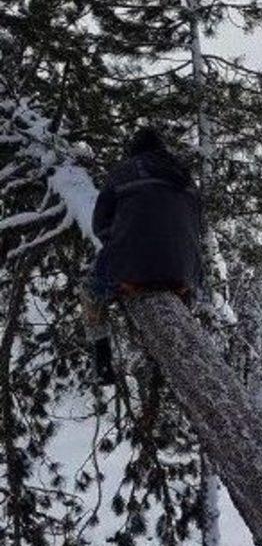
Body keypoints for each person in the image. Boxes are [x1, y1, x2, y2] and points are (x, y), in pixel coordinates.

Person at [82, 127, 203, 384]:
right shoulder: (185, 177)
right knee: (181, 303)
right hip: (184, 273)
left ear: (134, 151)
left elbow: (100, 225)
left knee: (91, 292)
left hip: (133, 270)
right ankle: (163, 364)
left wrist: (122, 243)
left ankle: (102, 363)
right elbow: (195, 227)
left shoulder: (125, 170)